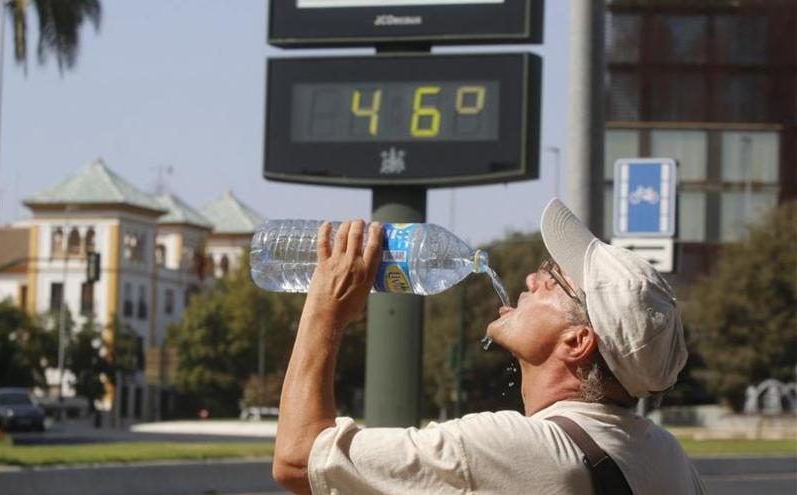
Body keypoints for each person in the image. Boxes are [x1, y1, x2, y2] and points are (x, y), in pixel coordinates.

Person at [272, 198, 706, 494]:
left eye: (553, 280)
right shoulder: (669, 458)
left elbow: (297, 459)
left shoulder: (511, 448)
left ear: (577, 342)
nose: (532, 280)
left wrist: (324, 311)